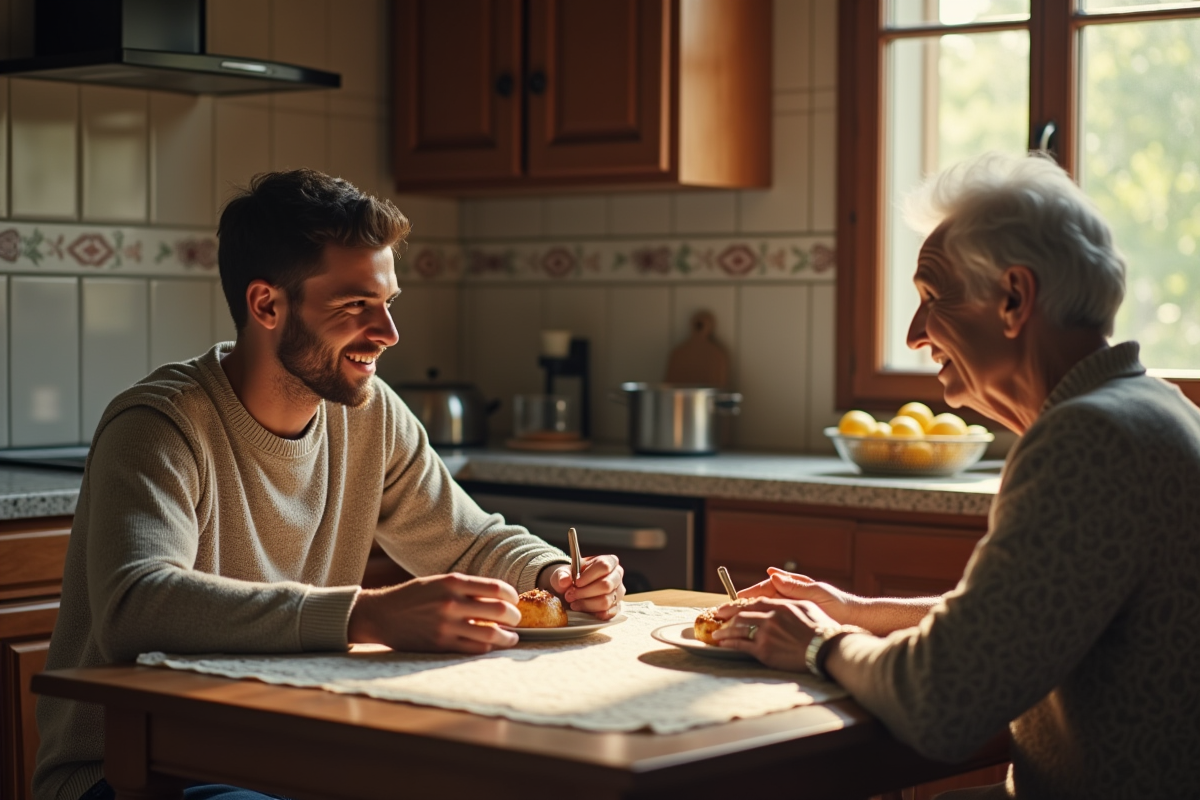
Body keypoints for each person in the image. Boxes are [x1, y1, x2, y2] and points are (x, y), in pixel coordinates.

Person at [34, 169, 626, 800]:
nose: (388, 333)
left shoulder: (367, 412)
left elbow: (465, 540)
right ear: (266, 305)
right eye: (355, 307)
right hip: (132, 772)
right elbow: (137, 606)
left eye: (388, 303)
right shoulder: (159, 424)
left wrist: (552, 575)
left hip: (290, 752)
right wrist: (364, 614)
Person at [713, 152, 1200, 798]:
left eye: (932, 300)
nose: (915, 335)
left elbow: (939, 703)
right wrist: (858, 611)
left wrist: (818, 643)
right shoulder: (1149, 406)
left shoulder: (1089, 439)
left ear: (1014, 298)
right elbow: (1008, 624)